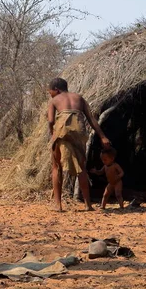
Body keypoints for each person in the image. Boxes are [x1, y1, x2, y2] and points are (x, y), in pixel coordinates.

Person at [47, 77, 111, 212]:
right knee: (81, 167)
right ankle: (88, 204)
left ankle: (58, 205)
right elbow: (92, 119)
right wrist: (103, 136)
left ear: (56, 90)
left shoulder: (54, 100)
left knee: (56, 167)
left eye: (50, 91)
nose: (50, 94)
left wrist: (52, 133)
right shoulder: (79, 98)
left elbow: (51, 120)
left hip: (62, 131)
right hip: (79, 131)